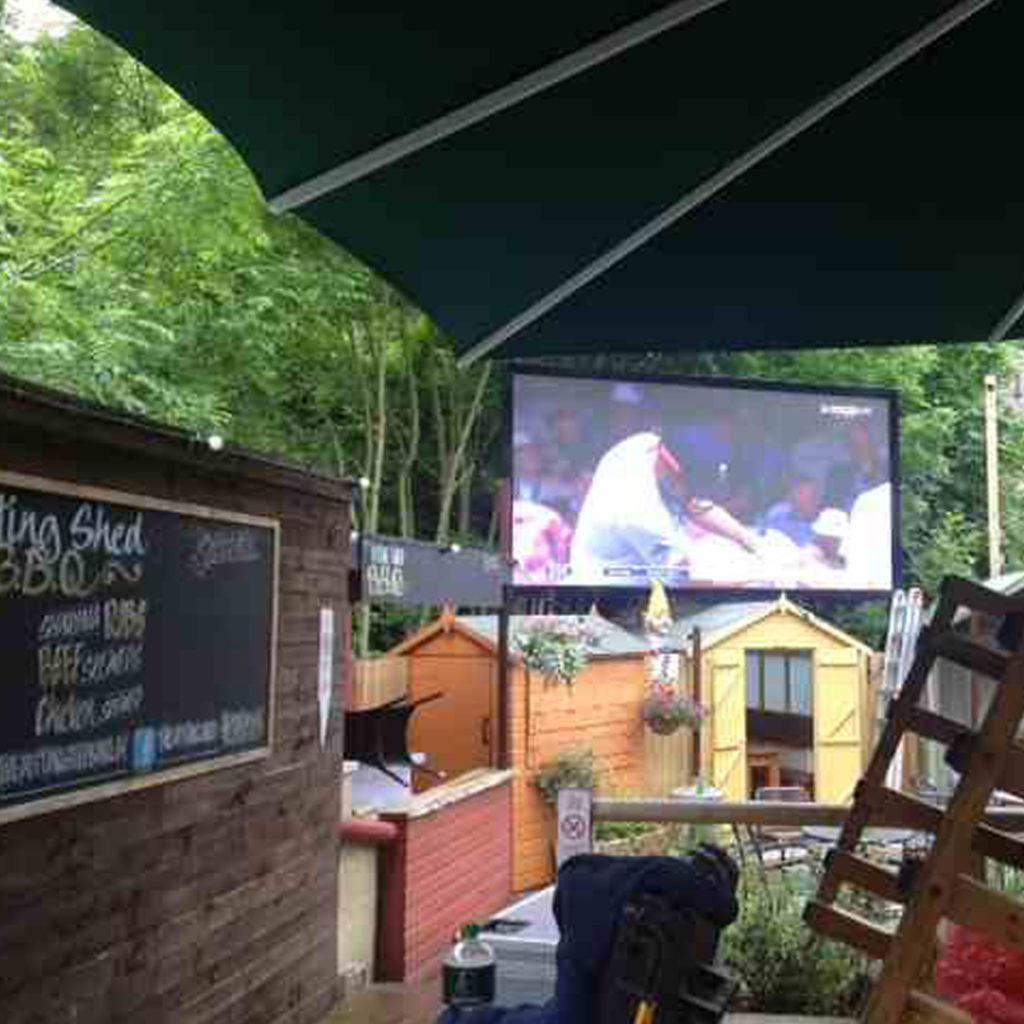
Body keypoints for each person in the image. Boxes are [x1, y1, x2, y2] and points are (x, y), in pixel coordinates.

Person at [569, 432, 759, 586]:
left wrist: (749, 541)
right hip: (604, 595)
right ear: (672, 467)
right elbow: (684, 582)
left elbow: (695, 504)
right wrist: (749, 583)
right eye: (689, 483)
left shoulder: (644, 444)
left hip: (635, 572)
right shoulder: (641, 513)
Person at [761, 476, 822, 546]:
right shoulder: (779, 512)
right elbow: (764, 534)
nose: (795, 496)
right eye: (797, 492)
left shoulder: (826, 521)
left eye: (801, 492)